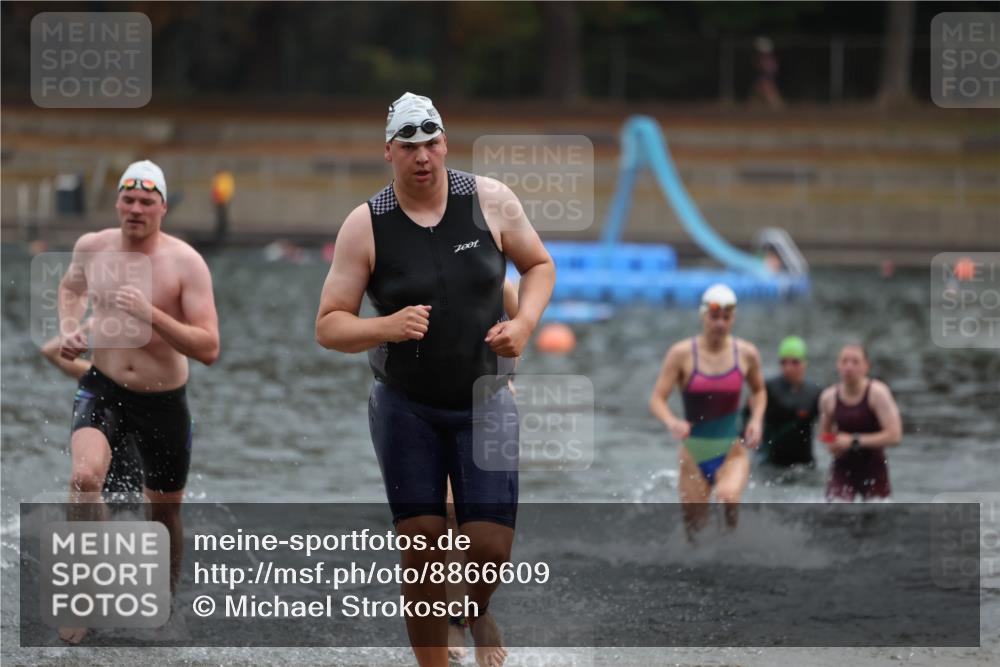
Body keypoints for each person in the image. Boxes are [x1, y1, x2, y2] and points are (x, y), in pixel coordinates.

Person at [315, 92, 554, 667]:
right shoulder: (365, 225)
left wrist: (523, 323)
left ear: (444, 143)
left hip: (485, 397)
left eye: (431, 143)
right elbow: (328, 326)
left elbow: (539, 266)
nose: (422, 156)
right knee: (422, 549)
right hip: (407, 406)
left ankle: (471, 611)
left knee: (490, 546)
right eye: (409, 146)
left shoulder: (490, 201)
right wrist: (386, 326)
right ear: (389, 152)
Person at [57, 160, 220, 643]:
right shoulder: (92, 247)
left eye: (147, 201)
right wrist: (70, 328)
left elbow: (209, 347)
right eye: (128, 199)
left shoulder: (186, 263)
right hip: (102, 387)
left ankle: (162, 602)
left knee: (165, 512)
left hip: (164, 400)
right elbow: (70, 288)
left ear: (162, 208)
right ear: (117, 204)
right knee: (84, 478)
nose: (135, 209)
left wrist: (151, 315)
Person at [649, 284, 766, 539]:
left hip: (731, 452)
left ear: (733, 319)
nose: (720, 324)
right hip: (692, 455)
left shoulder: (746, 353)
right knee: (695, 534)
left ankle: (733, 555)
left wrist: (756, 420)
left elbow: (759, 391)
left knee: (727, 497)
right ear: (703, 316)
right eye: (714, 317)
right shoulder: (681, 354)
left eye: (726, 317)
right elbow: (657, 398)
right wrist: (672, 422)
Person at [41, 325, 145, 496]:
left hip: (137, 464)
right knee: (86, 485)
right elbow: (49, 351)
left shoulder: (152, 380)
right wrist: (87, 326)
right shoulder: (93, 375)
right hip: (100, 459)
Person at [818, 344, 902, 501]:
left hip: (874, 469)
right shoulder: (828, 397)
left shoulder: (878, 393)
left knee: (874, 518)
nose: (849, 367)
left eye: (855, 362)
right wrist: (833, 443)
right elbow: (823, 436)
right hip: (842, 468)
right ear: (838, 365)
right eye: (844, 361)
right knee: (835, 514)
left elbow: (895, 436)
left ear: (866, 366)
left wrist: (853, 441)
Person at [756, 335, 822, 468]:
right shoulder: (769, 388)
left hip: (804, 463)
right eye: (784, 362)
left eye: (795, 362)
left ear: (804, 363)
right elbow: (748, 417)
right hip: (771, 462)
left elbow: (826, 425)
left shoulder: (815, 392)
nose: (789, 367)